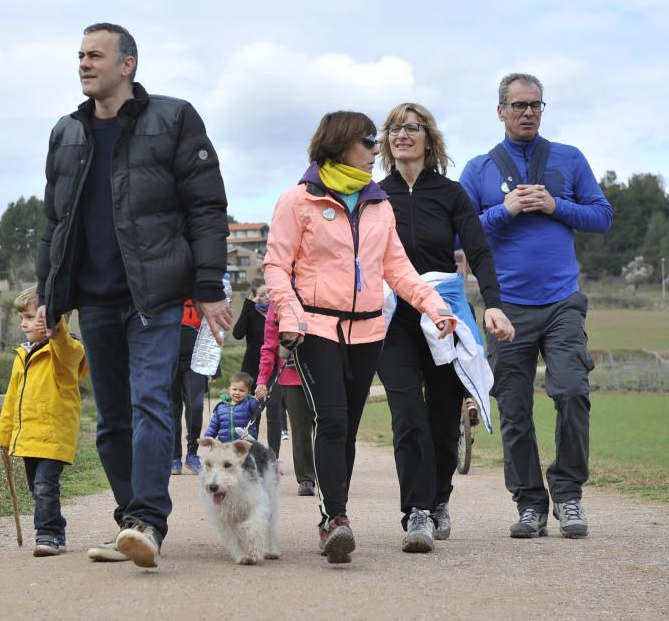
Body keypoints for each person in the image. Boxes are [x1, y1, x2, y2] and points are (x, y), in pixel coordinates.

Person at [35, 22, 231, 568]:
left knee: (150, 405)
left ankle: (149, 519)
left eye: (95, 55)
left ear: (128, 64)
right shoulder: (65, 133)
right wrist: (49, 296)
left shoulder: (173, 118)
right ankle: (132, 522)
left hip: (156, 296)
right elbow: (53, 222)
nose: (83, 63)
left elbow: (205, 208)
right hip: (93, 300)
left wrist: (209, 285)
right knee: (113, 420)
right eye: (79, 55)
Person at [262, 110, 456, 564]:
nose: (376, 150)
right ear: (340, 144)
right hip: (314, 326)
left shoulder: (378, 203)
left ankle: (331, 515)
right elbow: (275, 265)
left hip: (370, 329)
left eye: (376, 142)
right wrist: (289, 315)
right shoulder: (297, 200)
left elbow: (397, 268)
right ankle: (336, 519)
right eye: (368, 141)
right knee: (330, 418)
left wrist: (434, 306)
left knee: (346, 426)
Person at [459, 73, 613, 539]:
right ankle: (529, 504)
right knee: (514, 408)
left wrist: (555, 205)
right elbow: (458, 233)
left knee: (570, 391)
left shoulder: (569, 158)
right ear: (500, 110)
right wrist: (504, 210)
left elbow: (602, 216)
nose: (528, 112)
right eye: (518, 105)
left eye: (536, 105)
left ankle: (568, 496)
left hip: (563, 301)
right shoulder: (479, 168)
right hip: (506, 308)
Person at [376, 102, 515, 554]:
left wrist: (492, 305)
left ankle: (438, 500)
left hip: (444, 314)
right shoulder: (375, 195)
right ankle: (415, 511)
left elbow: (479, 251)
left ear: (428, 139)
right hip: (394, 317)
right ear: (386, 142)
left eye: (412, 127)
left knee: (440, 420)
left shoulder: (452, 195)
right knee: (407, 416)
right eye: (395, 128)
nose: (402, 134)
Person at [0, 286, 88, 557]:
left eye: (31, 316)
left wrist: (54, 321)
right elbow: (12, 399)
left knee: (45, 486)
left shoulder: (66, 353)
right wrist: (4, 435)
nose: (24, 323)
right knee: (38, 489)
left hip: (53, 436)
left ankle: (46, 535)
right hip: (27, 437)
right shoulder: (22, 355)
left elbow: (64, 343)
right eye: (21, 317)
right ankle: (56, 529)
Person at [255, 308, 317, 496]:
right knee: (299, 426)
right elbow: (270, 346)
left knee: (328, 425)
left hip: (323, 372)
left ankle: (332, 475)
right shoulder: (277, 305)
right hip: (291, 375)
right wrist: (262, 380)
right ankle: (306, 478)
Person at [232, 279, 284, 456]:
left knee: (274, 409)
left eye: (269, 293)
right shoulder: (251, 313)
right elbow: (237, 334)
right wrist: (248, 305)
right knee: (253, 411)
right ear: (254, 297)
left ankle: (273, 456)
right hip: (252, 369)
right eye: (261, 294)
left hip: (274, 368)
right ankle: (249, 454)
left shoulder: (278, 313)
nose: (266, 297)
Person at [171, 300, 207, 476]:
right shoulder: (168, 296)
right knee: (173, 410)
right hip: (170, 360)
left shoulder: (201, 299)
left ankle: (192, 454)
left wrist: (214, 366)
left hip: (196, 361)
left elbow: (211, 332)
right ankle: (174, 457)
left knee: (196, 406)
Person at [204, 372, 262, 442]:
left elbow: (257, 409)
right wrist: (208, 437)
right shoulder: (221, 407)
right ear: (229, 390)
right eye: (234, 389)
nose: (237, 393)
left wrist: (258, 399)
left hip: (245, 444)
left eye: (242, 390)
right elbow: (214, 426)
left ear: (248, 392)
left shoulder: (249, 404)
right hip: (226, 444)